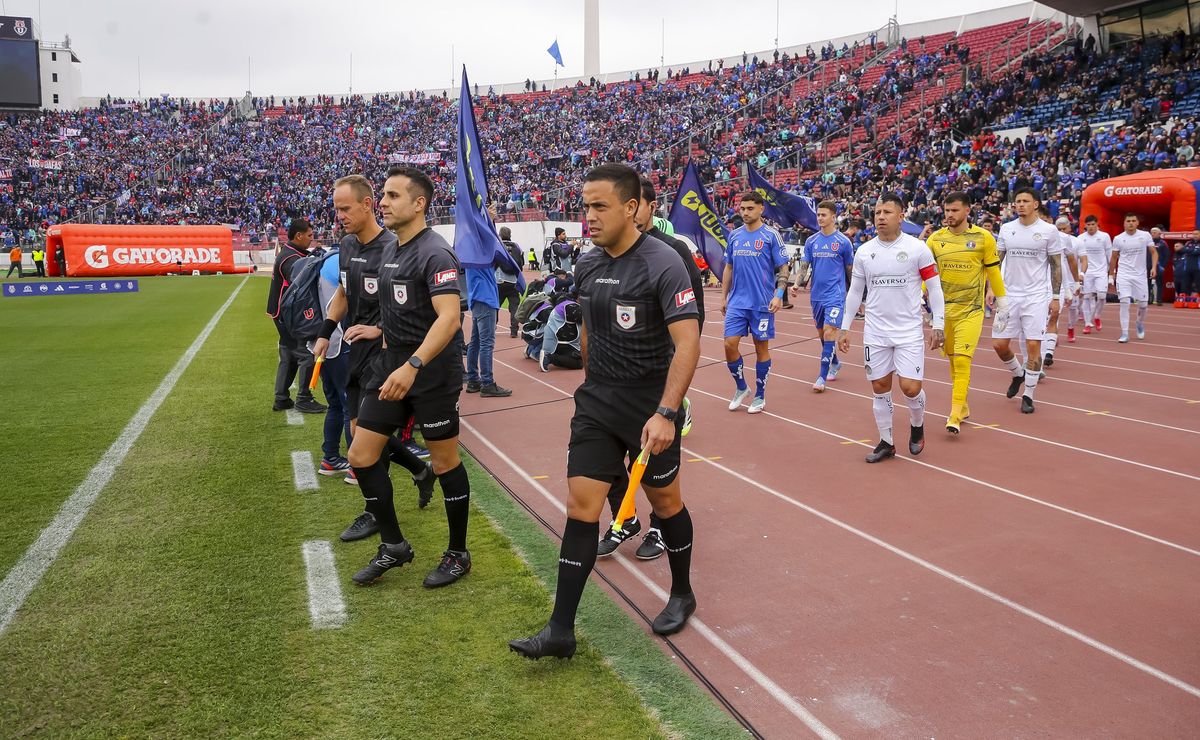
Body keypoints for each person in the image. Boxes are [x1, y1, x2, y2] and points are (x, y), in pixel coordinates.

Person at [509, 164, 701, 659]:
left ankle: (681, 592)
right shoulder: (587, 263)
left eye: (600, 206)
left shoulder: (664, 262)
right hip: (596, 404)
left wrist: (666, 412)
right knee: (581, 508)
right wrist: (592, 385)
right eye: (585, 206)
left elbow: (687, 344)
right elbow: (590, 329)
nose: (588, 216)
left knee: (666, 504)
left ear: (633, 207)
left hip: (648, 409)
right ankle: (560, 630)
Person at [343, 165, 473, 588]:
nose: (382, 202)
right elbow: (395, 311)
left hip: (431, 374)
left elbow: (449, 318)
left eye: (393, 195)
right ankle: (395, 546)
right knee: (361, 455)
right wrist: (383, 345)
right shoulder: (391, 250)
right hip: (392, 365)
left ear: (419, 204)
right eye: (382, 194)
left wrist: (412, 365)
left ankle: (457, 554)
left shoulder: (435, 253)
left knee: (444, 461)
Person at [313, 174, 435, 536]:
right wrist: (324, 333)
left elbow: (411, 306)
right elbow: (344, 295)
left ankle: (374, 513)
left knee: (365, 439)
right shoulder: (347, 246)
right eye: (336, 209)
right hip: (354, 352)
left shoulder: (392, 247)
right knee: (361, 436)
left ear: (368, 205)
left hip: (384, 354)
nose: (340, 216)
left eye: (345, 208)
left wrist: (378, 329)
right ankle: (418, 470)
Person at [838, 193, 945, 462]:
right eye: (877, 212)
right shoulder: (864, 251)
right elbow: (855, 292)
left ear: (900, 216)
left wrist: (939, 324)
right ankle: (886, 442)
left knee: (910, 387)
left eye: (887, 212)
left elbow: (934, 287)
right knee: (880, 386)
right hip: (876, 331)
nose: (881, 217)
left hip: (908, 331)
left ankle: (917, 424)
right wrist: (845, 327)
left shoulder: (917, 248)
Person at [926, 191, 1007, 433]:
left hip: (971, 310)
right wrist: (920, 295)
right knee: (952, 361)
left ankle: (954, 415)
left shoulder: (984, 238)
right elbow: (928, 275)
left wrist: (1002, 301)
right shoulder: (935, 240)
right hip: (944, 313)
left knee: (962, 360)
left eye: (954, 210)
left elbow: (993, 271)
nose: (949, 215)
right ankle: (963, 406)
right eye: (947, 210)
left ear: (967, 211)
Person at [990, 188, 1062, 414]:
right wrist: (991, 288)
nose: (1020, 205)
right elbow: (996, 261)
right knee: (999, 345)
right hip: (1008, 296)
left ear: (1036, 204)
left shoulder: (1049, 231)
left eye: (1025, 201)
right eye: (1017, 201)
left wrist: (1056, 297)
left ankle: (1028, 395)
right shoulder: (1007, 229)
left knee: (1033, 346)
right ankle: (1018, 373)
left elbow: (1056, 265)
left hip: (1036, 297)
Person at [720, 191, 789, 414]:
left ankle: (760, 395)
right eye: (742, 209)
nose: (745, 212)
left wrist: (778, 294)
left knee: (761, 348)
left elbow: (783, 268)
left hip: (762, 303)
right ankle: (742, 388)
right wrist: (723, 296)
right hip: (737, 302)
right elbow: (728, 267)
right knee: (729, 344)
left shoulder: (771, 235)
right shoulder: (734, 236)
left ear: (761, 209)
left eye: (750, 208)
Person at [266, 219, 326, 414]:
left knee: (288, 354)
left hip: (281, 313)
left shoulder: (290, 253)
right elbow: (301, 275)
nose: (312, 239)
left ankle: (281, 398)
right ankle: (303, 398)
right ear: (298, 236)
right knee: (307, 353)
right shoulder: (290, 258)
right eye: (309, 236)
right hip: (289, 315)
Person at [794, 200, 853, 393]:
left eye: (824, 215)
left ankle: (821, 376)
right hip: (816, 295)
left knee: (829, 331)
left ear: (833, 217)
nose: (820, 218)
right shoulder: (812, 241)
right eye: (818, 215)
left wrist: (854, 295)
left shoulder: (843, 242)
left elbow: (849, 269)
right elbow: (804, 266)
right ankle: (835, 362)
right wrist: (796, 284)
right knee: (822, 334)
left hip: (835, 295)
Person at [464, 240, 514, 397]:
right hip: (486, 297)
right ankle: (487, 383)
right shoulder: (482, 251)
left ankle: (473, 380)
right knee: (486, 343)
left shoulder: (469, 251)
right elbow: (504, 261)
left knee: (476, 341)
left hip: (477, 297)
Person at [1109, 213, 1157, 342]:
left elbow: (1153, 252)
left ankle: (1139, 322)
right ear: (1124, 223)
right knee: (1125, 302)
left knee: (1143, 305)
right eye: (1128, 221)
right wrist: (1111, 275)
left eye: (1133, 221)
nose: (1131, 223)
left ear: (1137, 223)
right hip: (1124, 275)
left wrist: (1153, 267)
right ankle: (1124, 333)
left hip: (1140, 276)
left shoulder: (1145, 235)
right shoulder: (1118, 238)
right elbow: (1114, 257)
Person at [1043, 213, 1080, 365]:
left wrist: (1074, 283)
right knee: (1041, 320)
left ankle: (1048, 353)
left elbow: (1068, 263)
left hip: (1057, 284)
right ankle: (1041, 349)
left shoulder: (1064, 239)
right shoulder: (1031, 238)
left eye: (1046, 220)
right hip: (1037, 284)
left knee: (1054, 315)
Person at [1075, 215, 1112, 334]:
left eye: (1093, 224)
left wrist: (1111, 273)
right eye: (1088, 225)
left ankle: (1097, 316)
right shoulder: (1080, 238)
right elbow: (1078, 257)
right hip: (1087, 272)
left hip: (1101, 271)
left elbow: (1109, 255)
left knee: (1101, 296)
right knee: (1086, 297)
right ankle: (1087, 323)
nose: (1091, 227)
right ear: (1085, 225)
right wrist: (1078, 273)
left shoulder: (1104, 237)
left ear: (1097, 224)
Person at [1053, 217, 1083, 347]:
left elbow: (1078, 261)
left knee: (1073, 308)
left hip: (1072, 278)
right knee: (1056, 310)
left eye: (1064, 229)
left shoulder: (1077, 242)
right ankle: (1053, 335)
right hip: (1058, 280)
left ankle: (1071, 328)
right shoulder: (1053, 240)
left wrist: (1079, 277)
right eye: (1059, 229)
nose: (1062, 231)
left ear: (1070, 228)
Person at [497, 226, 524, 338]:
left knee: (495, 306)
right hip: (513, 282)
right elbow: (521, 265)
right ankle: (514, 331)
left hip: (499, 281)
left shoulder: (497, 245)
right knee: (514, 307)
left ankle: (491, 327)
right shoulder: (517, 247)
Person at [1175, 230, 1200, 300]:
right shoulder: (1188, 242)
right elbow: (1183, 250)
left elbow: (1197, 252)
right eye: (1194, 234)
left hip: (1198, 268)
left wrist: (1189, 250)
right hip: (1187, 268)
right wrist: (1192, 251)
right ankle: (1186, 300)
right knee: (1186, 286)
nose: (1195, 235)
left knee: (1198, 285)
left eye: (1197, 234)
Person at [1151, 226, 1169, 305]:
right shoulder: (1149, 242)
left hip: (1159, 266)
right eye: (1152, 233)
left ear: (1159, 234)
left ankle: (1159, 300)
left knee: (1159, 284)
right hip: (1149, 265)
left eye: (1155, 232)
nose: (1153, 234)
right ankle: (1148, 300)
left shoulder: (1163, 243)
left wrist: (1163, 266)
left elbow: (1167, 255)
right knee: (1147, 283)